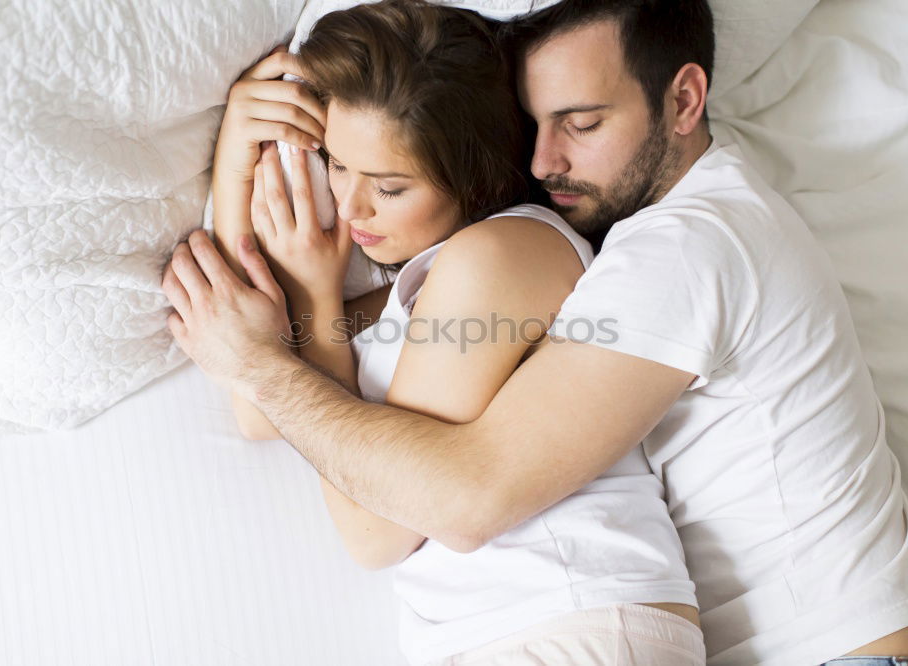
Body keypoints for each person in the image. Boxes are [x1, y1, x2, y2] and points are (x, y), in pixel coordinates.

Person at [162, 0, 908, 663]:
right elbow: (280, 381)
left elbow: (449, 498)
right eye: (534, 124)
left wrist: (265, 357)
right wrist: (242, 161)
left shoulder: (686, 245)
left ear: (683, 101)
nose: (542, 159)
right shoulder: (594, 255)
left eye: (581, 122)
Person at [177, 1, 705, 664]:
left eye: (390, 186)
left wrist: (312, 296)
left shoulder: (505, 255)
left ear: (471, 175)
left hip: (571, 619)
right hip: (508, 630)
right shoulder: (415, 291)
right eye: (338, 166)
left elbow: (376, 529)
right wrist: (235, 164)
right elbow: (263, 405)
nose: (350, 206)